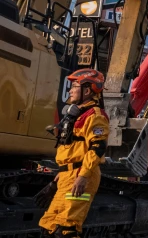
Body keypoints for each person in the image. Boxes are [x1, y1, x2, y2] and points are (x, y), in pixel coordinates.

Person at [38, 69, 110, 237]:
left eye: (74, 86)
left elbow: (97, 148)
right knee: (48, 226)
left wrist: (83, 176)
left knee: (66, 229)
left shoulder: (95, 116)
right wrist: (61, 174)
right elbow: (73, 148)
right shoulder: (77, 115)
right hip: (68, 175)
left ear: (87, 90)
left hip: (81, 174)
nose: (70, 90)